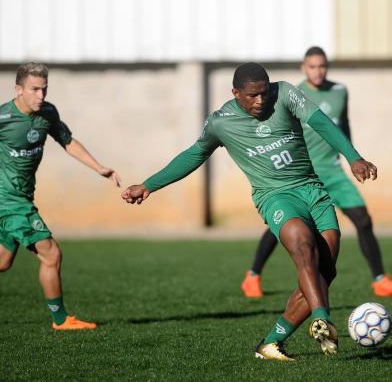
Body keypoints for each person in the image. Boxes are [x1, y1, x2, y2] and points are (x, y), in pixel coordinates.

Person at [121, 62, 377, 360]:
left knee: (324, 272)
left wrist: (354, 157)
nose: (260, 101)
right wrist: (149, 185)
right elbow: (193, 155)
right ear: (236, 93)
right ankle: (322, 319)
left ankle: (271, 343)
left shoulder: (285, 94)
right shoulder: (221, 122)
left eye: (264, 94)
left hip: (312, 190)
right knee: (302, 242)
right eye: (252, 95)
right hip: (275, 196)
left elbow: (321, 122)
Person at [241, 47, 392, 299]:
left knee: (363, 220)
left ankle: (379, 279)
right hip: (304, 175)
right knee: (285, 225)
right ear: (303, 68)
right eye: (312, 66)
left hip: (333, 171)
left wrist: (351, 156)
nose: (317, 71)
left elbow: (343, 126)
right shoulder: (292, 94)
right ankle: (253, 276)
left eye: (321, 65)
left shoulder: (340, 92)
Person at [0, 62, 121, 330]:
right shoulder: (4, 118)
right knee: (51, 254)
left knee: (3, 261)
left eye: (44, 89)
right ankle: (61, 319)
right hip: (9, 202)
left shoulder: (48, 113)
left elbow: (67, 141)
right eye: (34, 90)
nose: (40, 96)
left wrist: (99, 167)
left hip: (22, 197)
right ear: (18, 89)